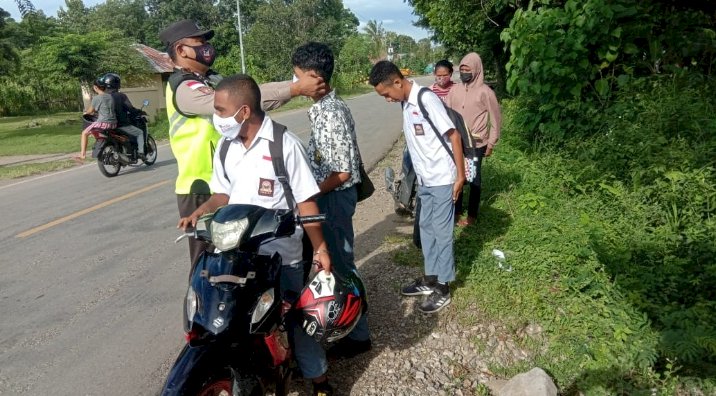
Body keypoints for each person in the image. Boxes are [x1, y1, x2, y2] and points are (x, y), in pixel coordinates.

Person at [177, 74, 334, 396]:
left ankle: (319, 381)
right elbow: (223, 194)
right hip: (237, 254)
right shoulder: (225, 146)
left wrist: (320, 249)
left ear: (244, 111)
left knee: (295, 321)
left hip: (281, 256)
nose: (216, 117)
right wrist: (200, 211)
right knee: (235, 318)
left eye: (220, 110)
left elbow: (306, 201)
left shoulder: (283, 144)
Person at [159, 19, 327, 269]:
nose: (207, 47)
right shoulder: (183, 87)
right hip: (202, 186)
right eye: (200, 42)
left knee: (236, 259)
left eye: (206, 41)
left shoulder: (211, 80)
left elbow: (249, 101)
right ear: (181, 50)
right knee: (207, 265)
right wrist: (294, 89)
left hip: (229, 180)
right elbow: (236, 101)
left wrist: (293, 90)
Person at [291, 42, 371, 357]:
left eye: (297, 76)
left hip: (335, 199)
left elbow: (343, 172)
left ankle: (357, 335)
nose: (295, 82)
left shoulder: (330, 112)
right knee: (337, 263)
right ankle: (349, 326)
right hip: (332, 197)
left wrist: (309, 193)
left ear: (314, 76)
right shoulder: (325, 107)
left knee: (341, 265)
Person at [368, 61, 465, 314]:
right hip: (426, 180)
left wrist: (460, 177)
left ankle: (443, 288)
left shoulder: (426, 99)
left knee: (442, 232)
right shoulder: (405, 103)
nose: (387, 99)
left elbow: (453, 135)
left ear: (398, 82)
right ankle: (431, 278)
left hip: (443, 178)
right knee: (426, 229)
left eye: (387, 93)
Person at [446, 52, 501, 226]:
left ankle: (472, 216)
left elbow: (496, 119)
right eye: (461, 69)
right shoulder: (454, 90)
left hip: (477, 144)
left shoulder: (485, 92)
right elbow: (445, 113)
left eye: (467, 69)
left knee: (474, 178)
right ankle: (456, 212)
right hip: (457, 142)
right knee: (457, 176)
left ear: (476, 70)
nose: (464, 72)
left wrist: (491, 143)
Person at [101, 73, 146, 158]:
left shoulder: (100, 97)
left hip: (105, 126)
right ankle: (141, 152)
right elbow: (130, 108)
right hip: (120, 125)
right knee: (140, 133)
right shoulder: (121, 96)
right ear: (117, 84)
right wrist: (139, 112)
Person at [75, 79, 116, 161]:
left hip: (103, 123)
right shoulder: (110, 96)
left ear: (95, 87)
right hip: (114, 123)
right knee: (94, 129)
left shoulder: (97, 98)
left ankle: (82, 154)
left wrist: (85, 113)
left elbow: (90, 111)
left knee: (84, 133)